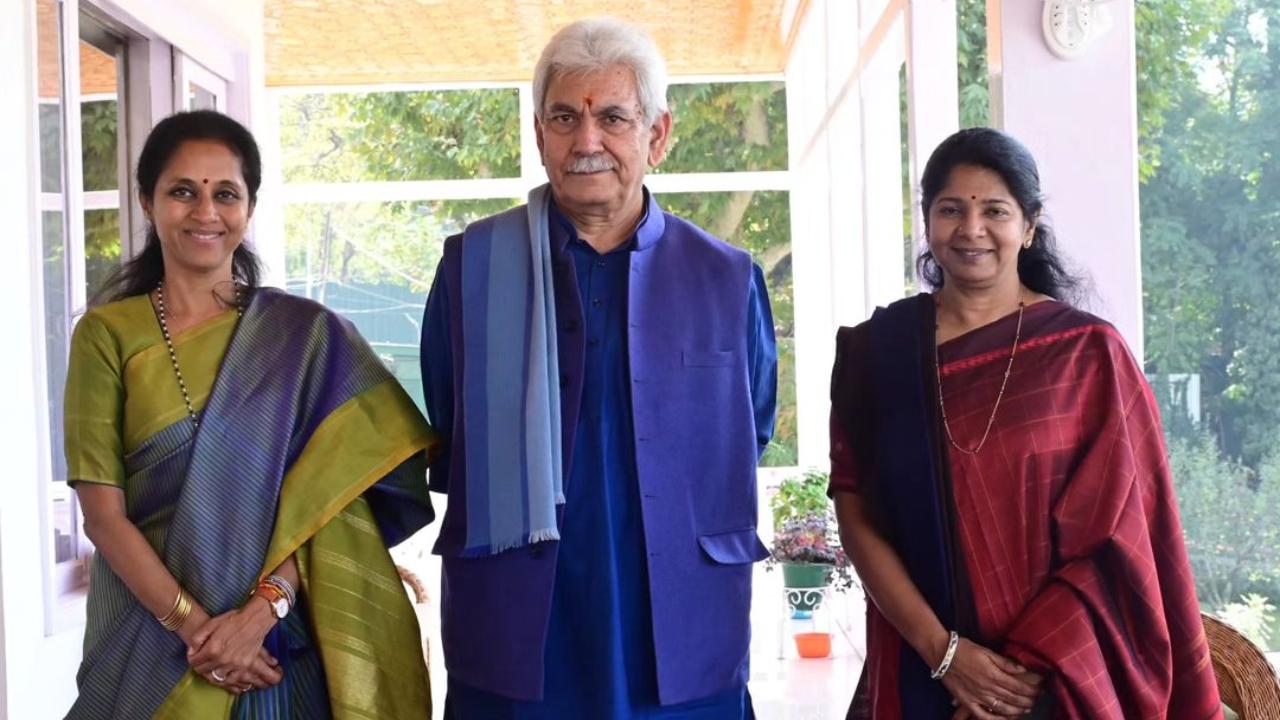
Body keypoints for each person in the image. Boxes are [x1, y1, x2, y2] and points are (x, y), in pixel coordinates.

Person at [420, 17, 778, 720]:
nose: (587, 141)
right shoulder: (472, 269)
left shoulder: (726, 279)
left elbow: (752, 426)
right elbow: (448, 423)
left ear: (658, 134)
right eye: (564, 117)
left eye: (613, 117)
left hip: (676, 612)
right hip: (521, 613)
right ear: (538, 134)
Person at [829, 128, 1222, 719]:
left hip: (1051, 680)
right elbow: (856, 512)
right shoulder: (877, 353)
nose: (971, 230)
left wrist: (1014, 674)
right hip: (918, 664)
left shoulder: (1087, 355)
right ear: (928, 219)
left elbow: (1121, 539)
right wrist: (946, 655)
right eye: (951, 209)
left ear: (1029, 226)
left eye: (995, 211)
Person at [64, 109, 436, 719]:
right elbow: (103, 516)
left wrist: (261, 611)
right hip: (148, 638)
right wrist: (200, 632)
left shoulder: (303, 336)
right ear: (146, 202)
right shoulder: (107, 335)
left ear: (249, 207)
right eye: (182, 191)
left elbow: (334, 499)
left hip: (277, 647)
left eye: (225, 193)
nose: (205, 211)